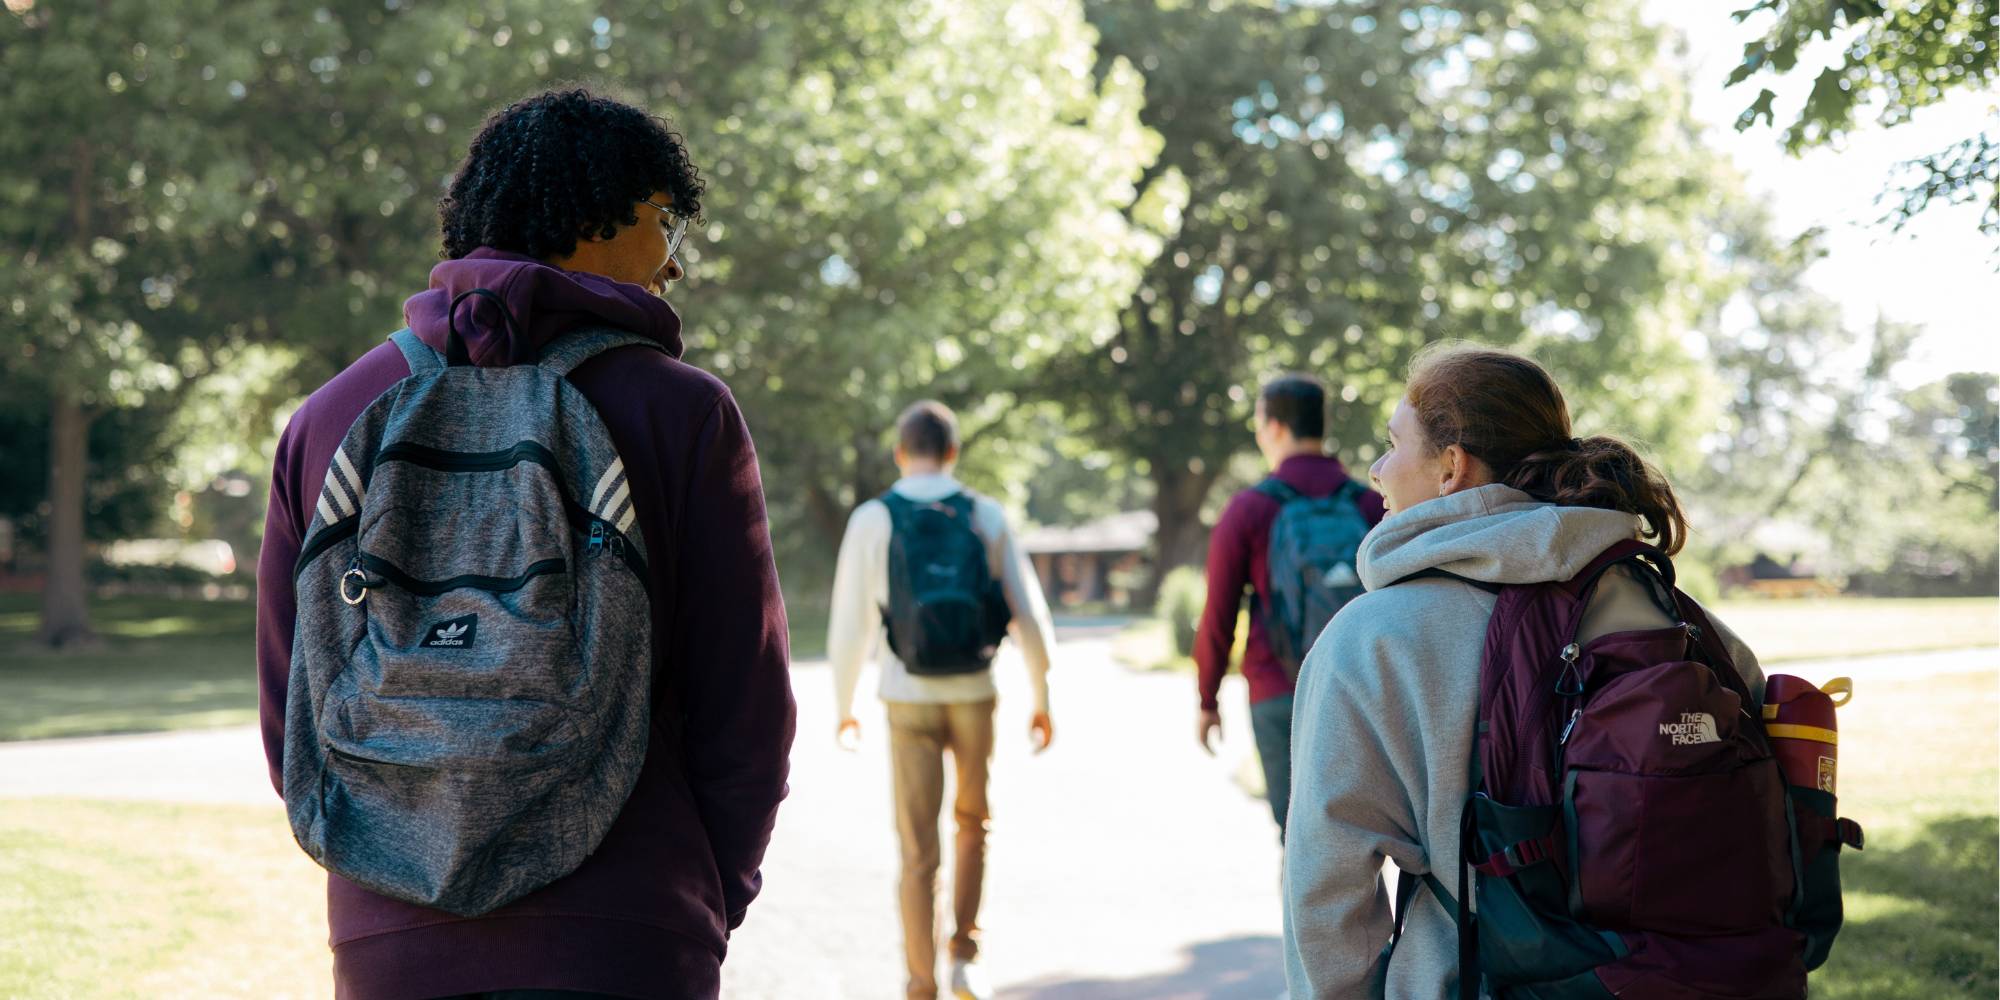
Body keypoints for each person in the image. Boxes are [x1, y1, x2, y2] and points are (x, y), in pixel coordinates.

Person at [255, 88, 796, 1000]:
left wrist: (387, 875)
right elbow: (745, 708)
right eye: (670, 221)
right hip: (628, 932)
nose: (675, 264)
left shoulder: (330, 417)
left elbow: (292, 711)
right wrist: (704, 892)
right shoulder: (682, 411)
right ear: (599, 214)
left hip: (391, 940)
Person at [1280, 344, 1764, 998]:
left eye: (1393, 443)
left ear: (1451, 466)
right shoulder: (1671, 615)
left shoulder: (1372, 641)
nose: (1376, 470)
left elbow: (1326, 890)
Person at [827, 400, 1058, 1000]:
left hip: (906, 698)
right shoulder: (984, 512)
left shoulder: (873, 518)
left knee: (916, 850)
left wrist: (844, 702)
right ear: (953, 452)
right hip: (975, 694)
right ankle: (964, 955)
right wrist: (1043, 694)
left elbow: (850, 623)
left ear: (900, 454)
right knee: (972, 824)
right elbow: (1028, 613)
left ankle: (920, 984)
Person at [1194, 374, 1385, 836]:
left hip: (1279, 689)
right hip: (1360, 688)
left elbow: (1219, 615)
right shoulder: (1370, 504)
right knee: (1365, 834)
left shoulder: (1249, 509)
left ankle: (1305, 911)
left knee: (1301, 839)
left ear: (1275, 427)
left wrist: (1207, 699)